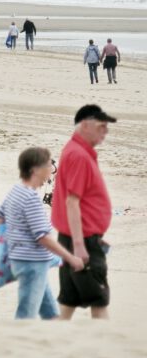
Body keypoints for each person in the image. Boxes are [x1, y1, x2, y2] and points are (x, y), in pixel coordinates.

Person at [0, 147, 84, 320]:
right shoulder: (31, 198)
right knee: (25, 316)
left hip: (23, 260)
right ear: (35, 170)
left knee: (51, 315)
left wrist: (18, 234)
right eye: (49, 165)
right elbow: (42, 237)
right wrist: (70, 258)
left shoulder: (16, 191)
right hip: (32, 264)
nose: (52, 170)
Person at [52, 104, 116, 320]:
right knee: (99, 301)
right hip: (82, 241)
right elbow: (72, 202)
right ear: (85, 125)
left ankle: (49, 339)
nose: (105, 132)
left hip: (72, 238)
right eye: (101, 126)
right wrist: (80, 245)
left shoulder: (76, 151)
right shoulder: (78, 155)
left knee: (68, 302)